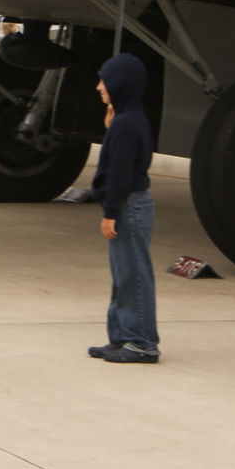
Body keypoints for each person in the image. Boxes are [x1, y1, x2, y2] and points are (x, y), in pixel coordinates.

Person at [88, 54, 159, 363]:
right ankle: (121, 338)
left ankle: (142, 342)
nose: (99, 87)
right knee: (123, 276)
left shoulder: (127, 125)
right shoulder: (127, 120)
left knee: (134, 277)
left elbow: (120, 173)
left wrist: (111, 211)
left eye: (104, 80)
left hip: (129, 206)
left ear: (120, 84)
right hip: (130, 205)